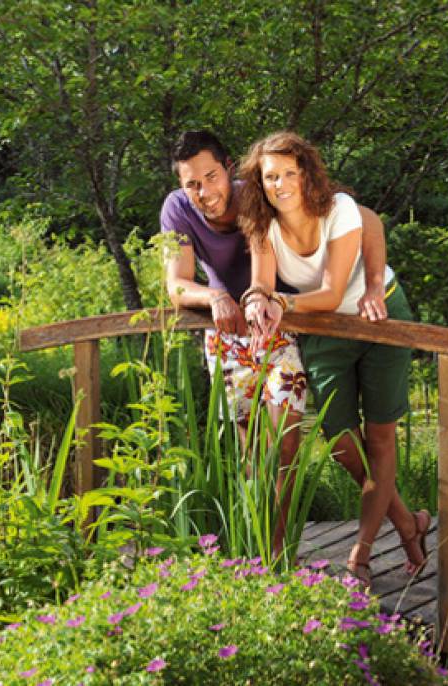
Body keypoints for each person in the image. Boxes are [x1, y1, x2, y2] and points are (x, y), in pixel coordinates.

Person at [161, 130, 412, 561]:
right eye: (192, 183)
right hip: (233, 333)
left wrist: (372, 282)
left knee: (285, 445)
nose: (205, 191)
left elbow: (363, 219)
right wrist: (218, 295)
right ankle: (257, 551)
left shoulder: (260, 193)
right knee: (250, 454)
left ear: (227, 169)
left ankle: (279, 554)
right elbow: (177, 285)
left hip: (284, 323)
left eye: (211, 177)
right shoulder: (182, 208)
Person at [236, 130, 428, 586]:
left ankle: (360, 553)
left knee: (380, 438)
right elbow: (262, 282)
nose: (279, 185)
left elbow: (333, 292)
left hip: (379, 318)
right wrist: (254, 299)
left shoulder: (338, 209)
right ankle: (406, 522)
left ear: (305, 173)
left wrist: (281, 303)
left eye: (287, 173)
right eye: (269, 177)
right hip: (324, 331)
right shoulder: (261, 224)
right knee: (342, 441)